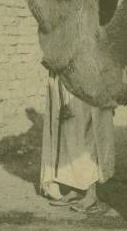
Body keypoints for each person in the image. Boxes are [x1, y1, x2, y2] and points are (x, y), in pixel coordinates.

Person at [40, 72, 115, 213]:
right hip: (66, 78)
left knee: (89, 135)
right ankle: (76, 188)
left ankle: (92, 194)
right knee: (70, 134)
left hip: (88, 78)